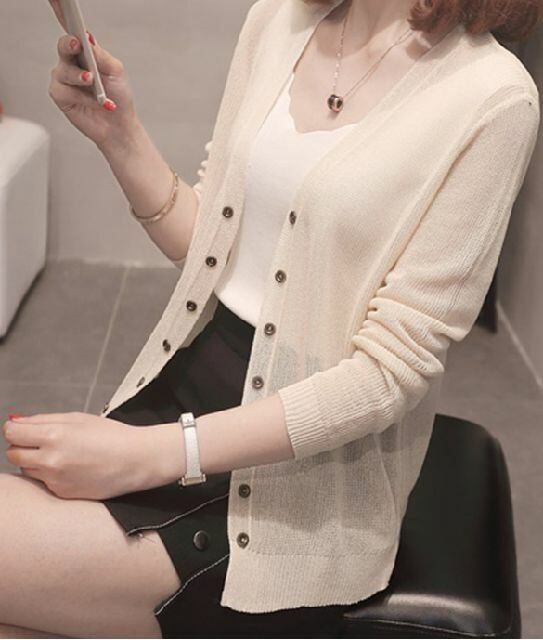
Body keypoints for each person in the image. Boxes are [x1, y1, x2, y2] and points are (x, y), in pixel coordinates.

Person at [1, 0, 540, 637]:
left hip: (304, 479)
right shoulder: (277, 22)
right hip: (181, 399)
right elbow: (214, 250)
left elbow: (387, 376)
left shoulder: (493, 97)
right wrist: (120, 136)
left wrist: (149, 454)